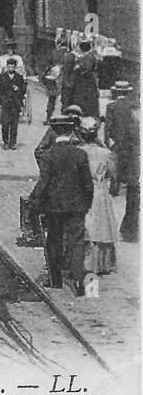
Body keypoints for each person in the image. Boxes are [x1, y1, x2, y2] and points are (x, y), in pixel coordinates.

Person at [29, 114, 95, 294]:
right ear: (72, 131)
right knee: (76, 242)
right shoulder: (80, 154)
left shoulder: (49, 156)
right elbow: (88, 184)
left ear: (54, 131)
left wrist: (34, 202)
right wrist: (86, 204)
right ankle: (80, 283)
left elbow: (44, 183)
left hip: (54, 207)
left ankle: (55, 280)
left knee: (55, 242)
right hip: (77, 207)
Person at [77, 117, 118, 276]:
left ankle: (85, 261)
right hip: (99, 190)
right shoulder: (106, 153)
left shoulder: (79, 151)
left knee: (87, 225)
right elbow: (111, 173)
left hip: (83, 190)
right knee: (101, 225)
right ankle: (102, 263)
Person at [103, 81, 139, 242]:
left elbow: (108, 126)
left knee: (115, 166)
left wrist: (107, 142)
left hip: (117, 142)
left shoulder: (112, 107)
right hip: (131, 144)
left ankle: (115, 185)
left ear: (116, 92)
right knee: (129, 165)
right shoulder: (133, 107)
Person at [0, 57, 28, 150]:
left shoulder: (19, 77)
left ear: (15, 67)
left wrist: (19, 90)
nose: (11, 67)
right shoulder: (2, 77)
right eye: (9, 65)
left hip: (15, 103)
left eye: (13, 65)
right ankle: (5, 141)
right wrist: (1, 97)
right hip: (5, 102)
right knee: (4, 123)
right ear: (7, 66)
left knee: (14, 124)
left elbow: (24, 90)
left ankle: (13, 142)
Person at [41, 37, 72, 124]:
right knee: (65, 100)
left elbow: (47, 65)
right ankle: (64, 119)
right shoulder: (69, 55)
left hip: (53, 78)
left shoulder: (53, 53)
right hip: (65, 79)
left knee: (52, 99)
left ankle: (48, 118)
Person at [68, 40, 100, 118]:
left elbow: (86, 69)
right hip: (88, 81)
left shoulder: (87, 57)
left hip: (85, 82)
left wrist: (78, 68)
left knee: (83, 98)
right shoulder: (90, 56)